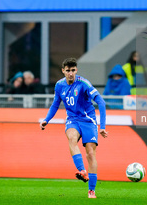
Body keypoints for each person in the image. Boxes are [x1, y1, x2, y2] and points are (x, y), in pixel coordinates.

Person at [40, 58, 108, 199]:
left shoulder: (84, 84)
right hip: (72, 120)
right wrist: (46, 119)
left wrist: (102, 126)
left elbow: (101, 102)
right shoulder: (59, 85)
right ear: (63, 71)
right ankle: (82, 170)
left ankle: (91, 190)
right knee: (71, 138)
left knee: (90, 153)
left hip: (88, 121)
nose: (70, 73)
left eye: (72, 70)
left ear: (76, 70)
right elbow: (55, 104)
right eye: (67, 70)